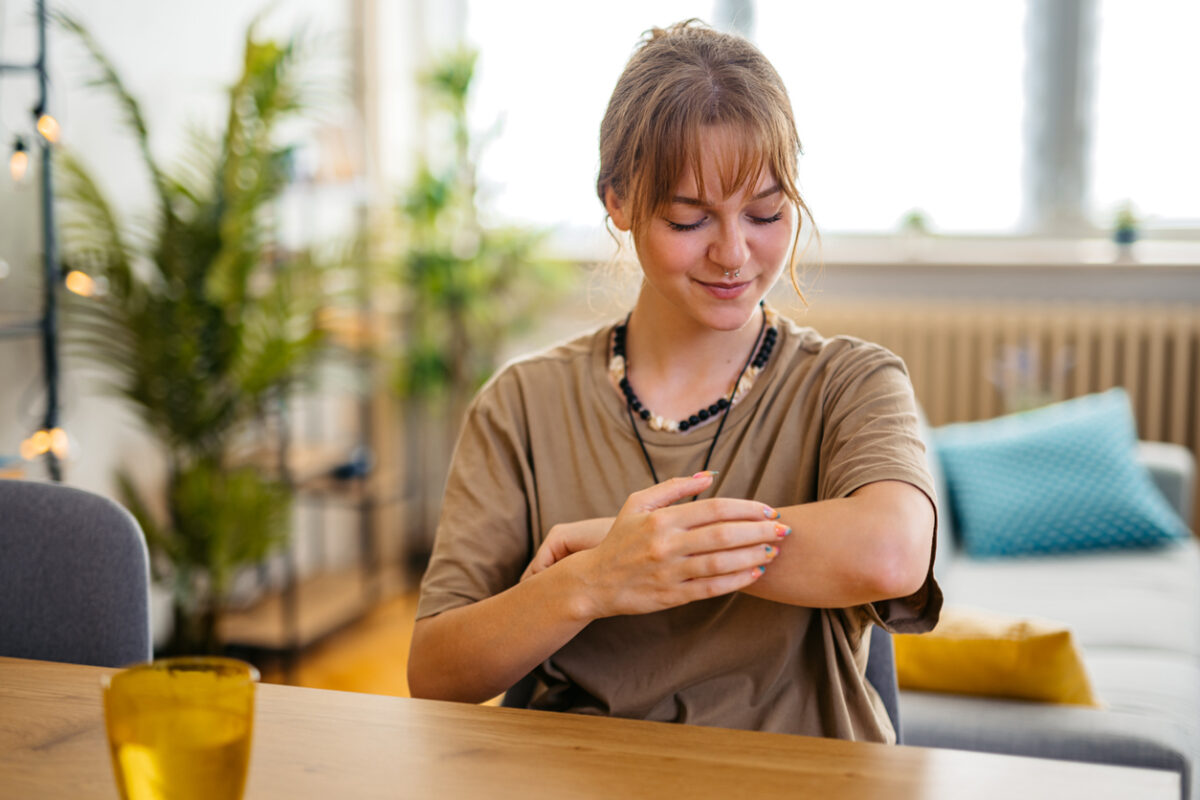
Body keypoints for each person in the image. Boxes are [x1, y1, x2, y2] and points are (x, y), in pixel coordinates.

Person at [407, 19, 940, 743]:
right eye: (690, 219)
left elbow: (892, 552)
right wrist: (595, 580)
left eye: (765, 212)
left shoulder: (851, 381)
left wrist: (646, 547)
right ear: (619, 203)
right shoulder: (521, 404)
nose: (733, 253)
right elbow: (437, 671)